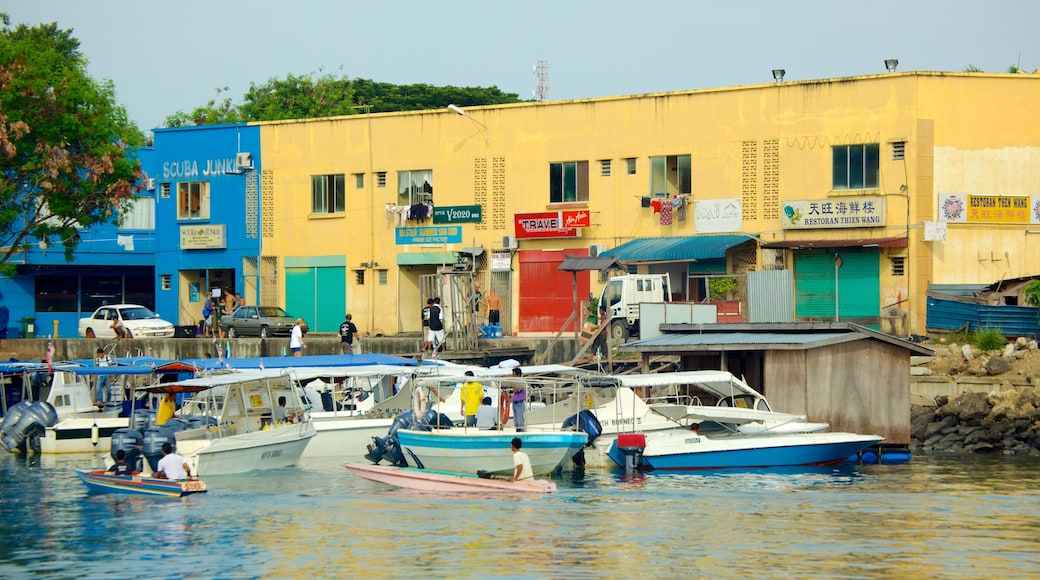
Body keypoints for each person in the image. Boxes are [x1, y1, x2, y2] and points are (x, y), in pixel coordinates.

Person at [510, 367, 527, 432]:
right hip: (515, 403)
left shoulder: (521, 382)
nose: (512, 376)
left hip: (519, 403)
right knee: (516, 421)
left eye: (513, 375)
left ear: (518, 375)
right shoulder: (515, 382)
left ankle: (521, 432)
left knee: (520, 421)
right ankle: (518, 431)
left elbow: (516, 390)